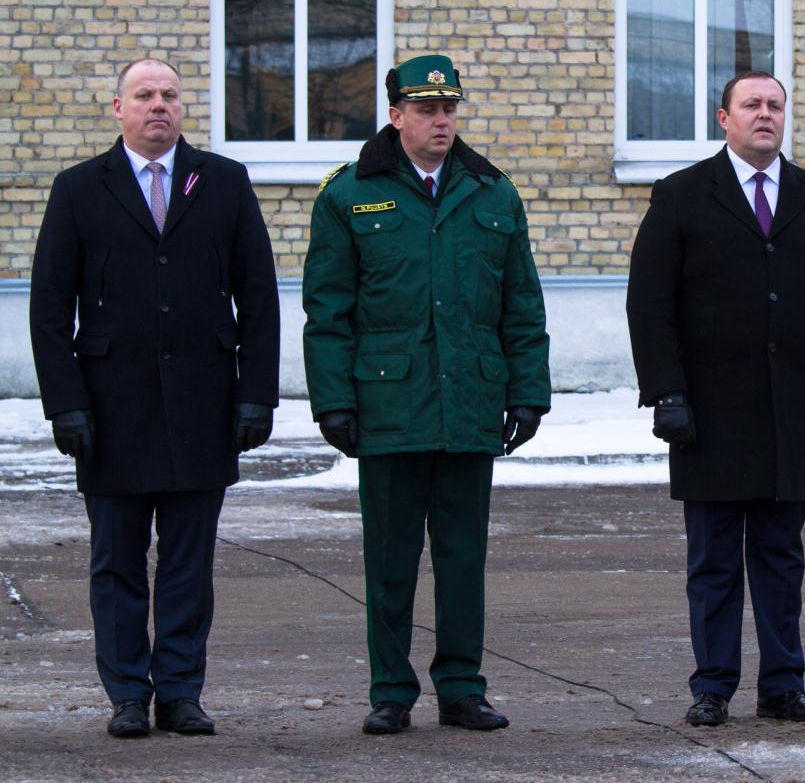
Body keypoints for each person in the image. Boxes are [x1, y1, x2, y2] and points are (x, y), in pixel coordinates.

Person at [29, 58, 280, 738]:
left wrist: (256, 394)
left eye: (169, 95)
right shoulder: (80, 188)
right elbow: (50, 308)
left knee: (188, 563)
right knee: (116, 562)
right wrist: (65, 404)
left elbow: (257, 296)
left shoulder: (223, 182)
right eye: (144, 96)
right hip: (111, 412)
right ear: (118, 108)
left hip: (204, 405)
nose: (158, 106)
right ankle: (127, 697)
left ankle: (179, 692)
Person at [302, 54, 551, 735]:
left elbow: (521, 307)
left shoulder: (491, 192)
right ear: (395, 115)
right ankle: (391, 690)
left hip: (471, 400)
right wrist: (333, 401)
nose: (441, 121)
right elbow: (327, 312)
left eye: (449, 109)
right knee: (389, 559)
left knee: (463, 557)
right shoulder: (349, 195)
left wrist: (529, 393)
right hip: (389, 404)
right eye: (426, 110)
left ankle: (462, 687)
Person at [626, 71, 805, 727]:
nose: (765, 115)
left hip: (788, 411)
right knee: (713, 561)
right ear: (724, 118)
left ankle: (783, 685)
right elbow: (649, 304)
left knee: (780, 558)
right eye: (752, 105)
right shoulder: (681, 196)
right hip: (708, 414)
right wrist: (666, 392)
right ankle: (712, 685)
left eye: (775, 106)